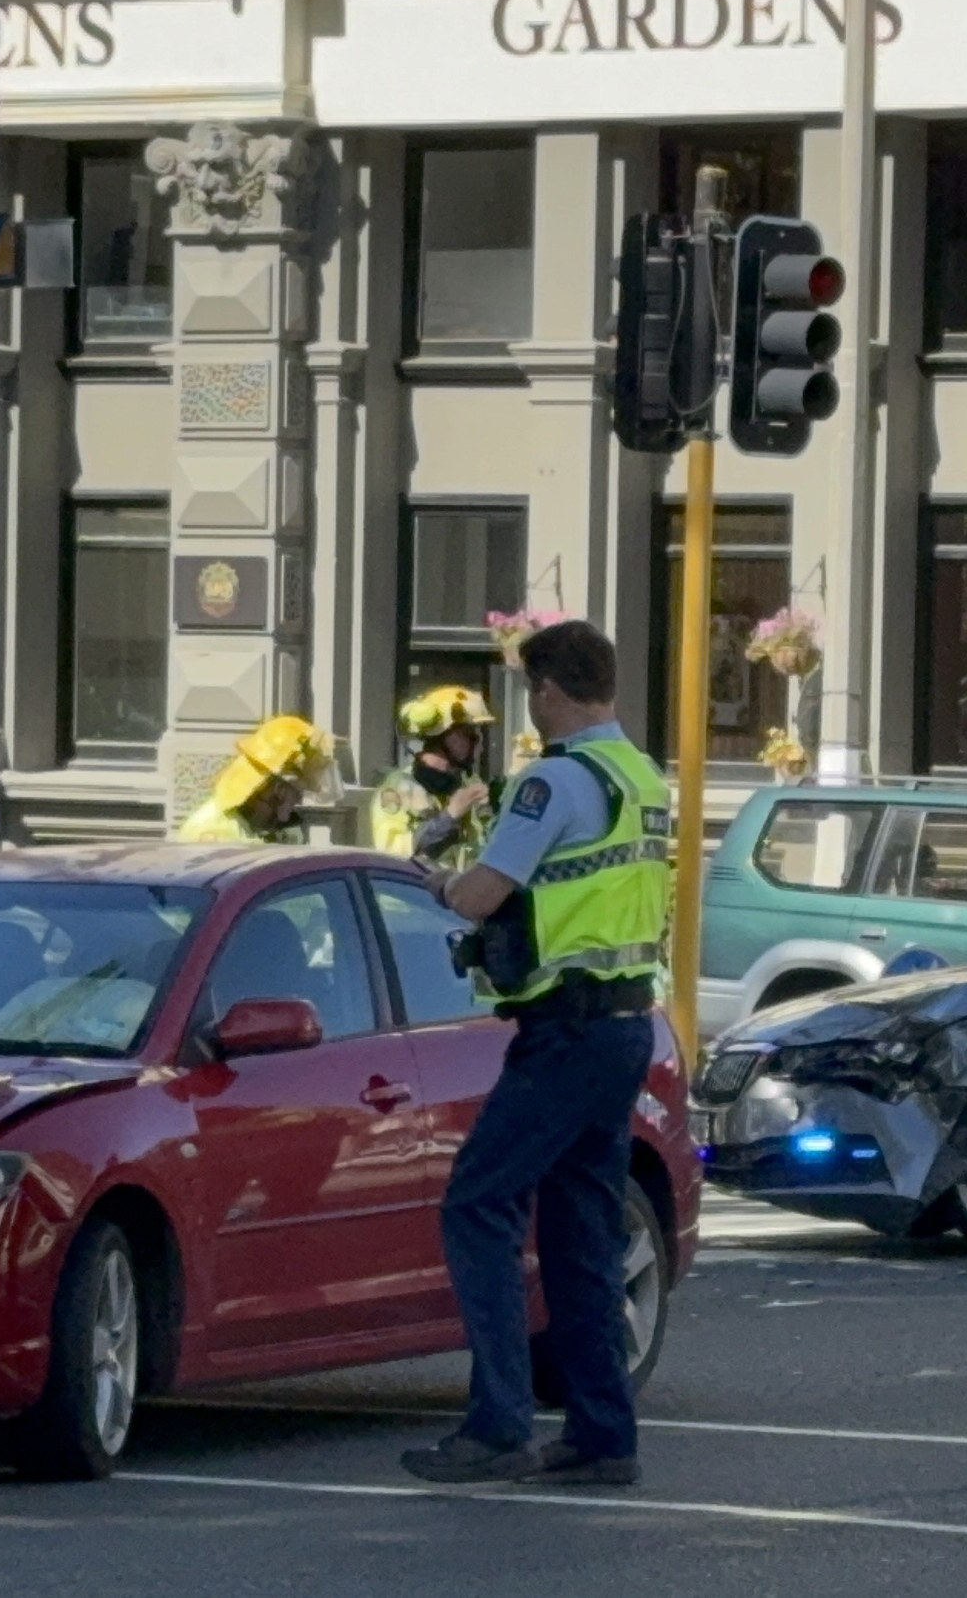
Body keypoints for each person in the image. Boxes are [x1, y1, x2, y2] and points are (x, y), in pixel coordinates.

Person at [400, 620, 669, 1488]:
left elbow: (482, 893)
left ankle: (499, 1425)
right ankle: (601, 1434)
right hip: (625, 1024)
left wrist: (438, 880)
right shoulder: (640, 774)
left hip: (564, 1031)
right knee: (580, 1229)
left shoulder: (552, 780)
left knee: (476, 1203)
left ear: (547, 689)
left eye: (530, 692)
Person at [372, 684, 495, 869]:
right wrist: (450, 816)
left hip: (463, 893)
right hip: (417, 895)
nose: (479, 745)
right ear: (443, 737)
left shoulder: (470, 783)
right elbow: (392, 855)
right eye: (469, 735)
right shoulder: (397, 788)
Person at [175, 715, 336, 845]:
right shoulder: (214, 834)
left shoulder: (266, 828)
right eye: (299, 792)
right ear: (279, 790)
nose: (299, 800)